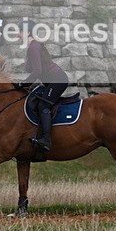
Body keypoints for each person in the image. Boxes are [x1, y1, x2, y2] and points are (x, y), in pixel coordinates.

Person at [16, 20, 69, 152]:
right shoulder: (32, 47)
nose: (18, 35)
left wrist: (22, 84)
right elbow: (32, 69)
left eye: (20, 31)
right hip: (53, 81)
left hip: (58, 80)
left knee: (43, 105)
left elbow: (37, 72)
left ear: (28, 32)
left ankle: (46, 140)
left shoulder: (34, 47)